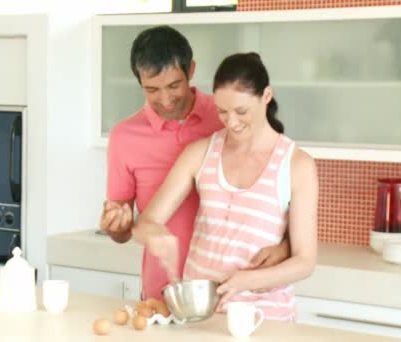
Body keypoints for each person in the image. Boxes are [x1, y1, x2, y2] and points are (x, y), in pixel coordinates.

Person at [99, 26, 291, 301]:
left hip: (233, 289)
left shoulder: (227, 114)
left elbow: (281, 186)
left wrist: (286, 246)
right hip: (164, 292)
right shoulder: (124, 137)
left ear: (191, 70)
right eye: (152, 89)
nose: (165, 100)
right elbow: (126, 229)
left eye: (174, 85)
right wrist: (117, 226)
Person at [132, 52, 318, 321]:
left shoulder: (297, 165)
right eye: (222, 111)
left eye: (241, 111)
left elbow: (305, 261)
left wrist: (246, 281)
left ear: (266, 96)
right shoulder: (200, 152)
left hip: (265, 318)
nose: (231, 122)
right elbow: (145, 222)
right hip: (201, 316)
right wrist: (154, 234)